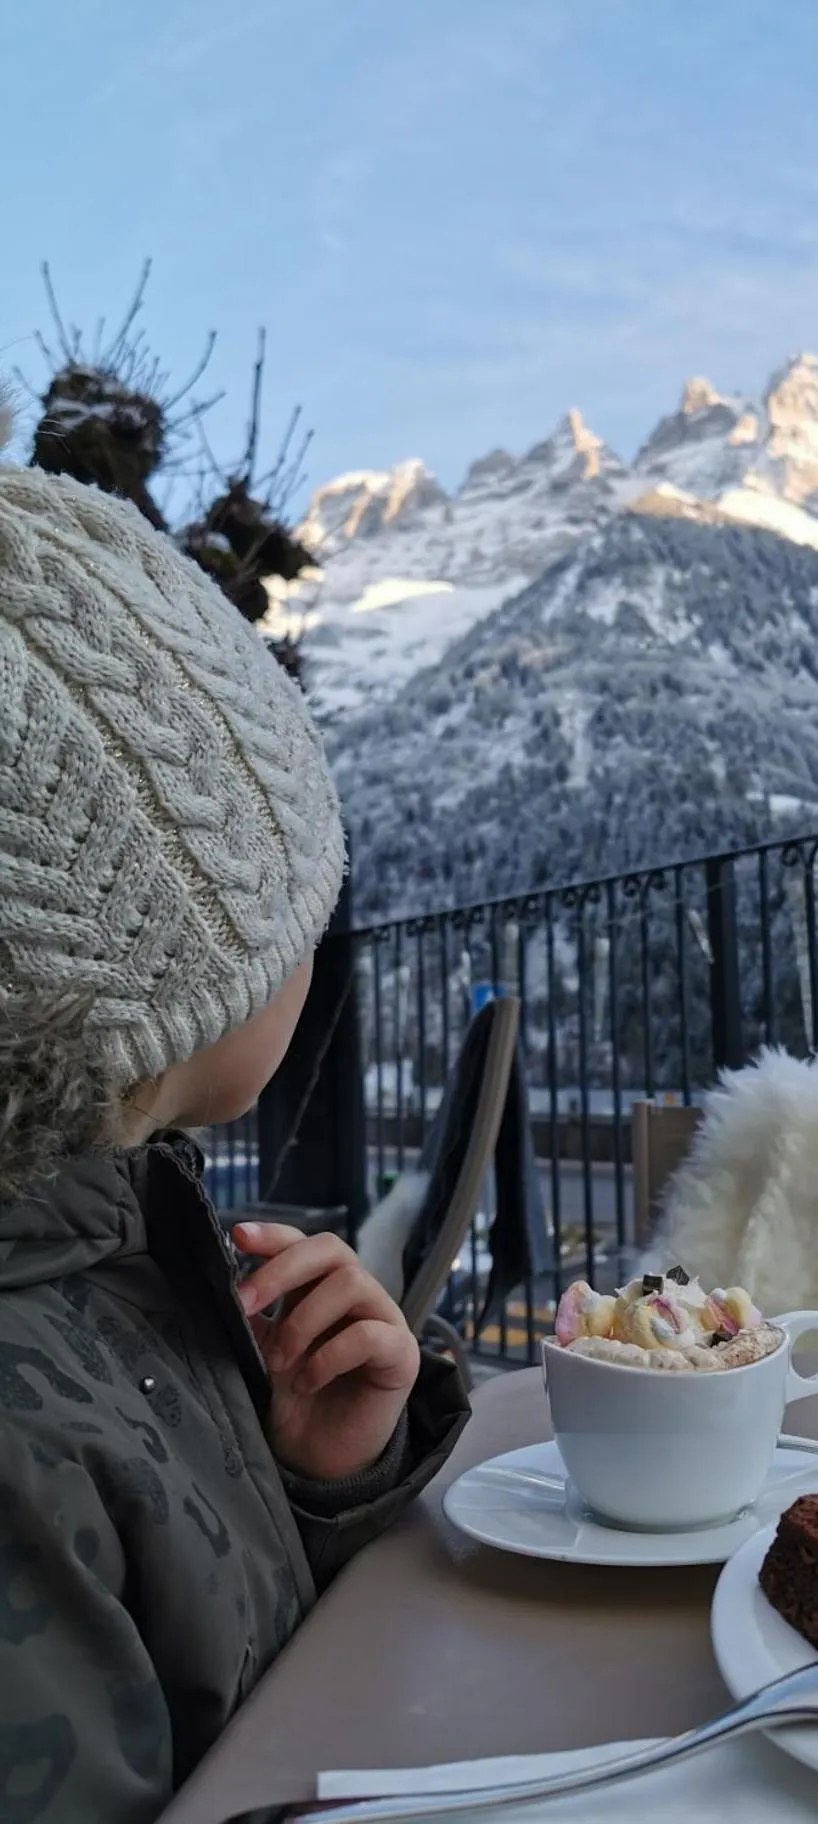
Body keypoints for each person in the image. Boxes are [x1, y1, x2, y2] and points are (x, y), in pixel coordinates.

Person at [0, 428, 471, 1822]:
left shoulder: (119, 1250)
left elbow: (224, 1652)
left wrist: (320, 1478)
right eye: (292, 911)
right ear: (139, 979)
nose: (315, 943)